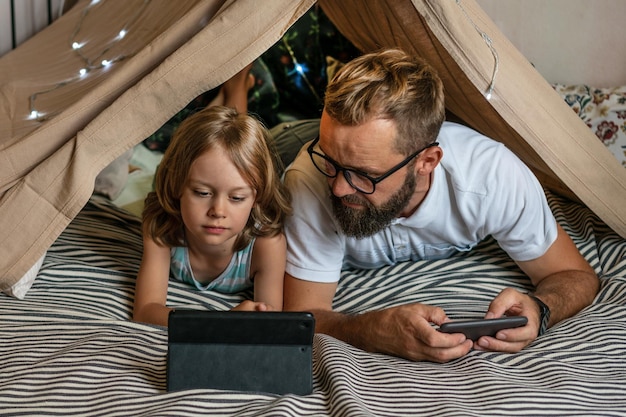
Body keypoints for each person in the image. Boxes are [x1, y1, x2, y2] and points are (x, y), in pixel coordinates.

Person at [281, 48, 599, 362]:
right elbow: (303, 317)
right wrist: (370, 330)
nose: (337, 188)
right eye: (330, 161)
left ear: (427, 162)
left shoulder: (492, 175)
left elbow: (575, 275)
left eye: (365, 175)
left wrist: (541, 308)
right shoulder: (308, 179)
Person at [133, 105, 291, 327]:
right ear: (177, 186)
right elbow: (145, 311)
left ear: (257, 197)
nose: (218, 211)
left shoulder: (266, 244)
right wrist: (221, 322)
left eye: (236, 198)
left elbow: (269, 321)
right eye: (202, 193)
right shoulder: (161, 227)